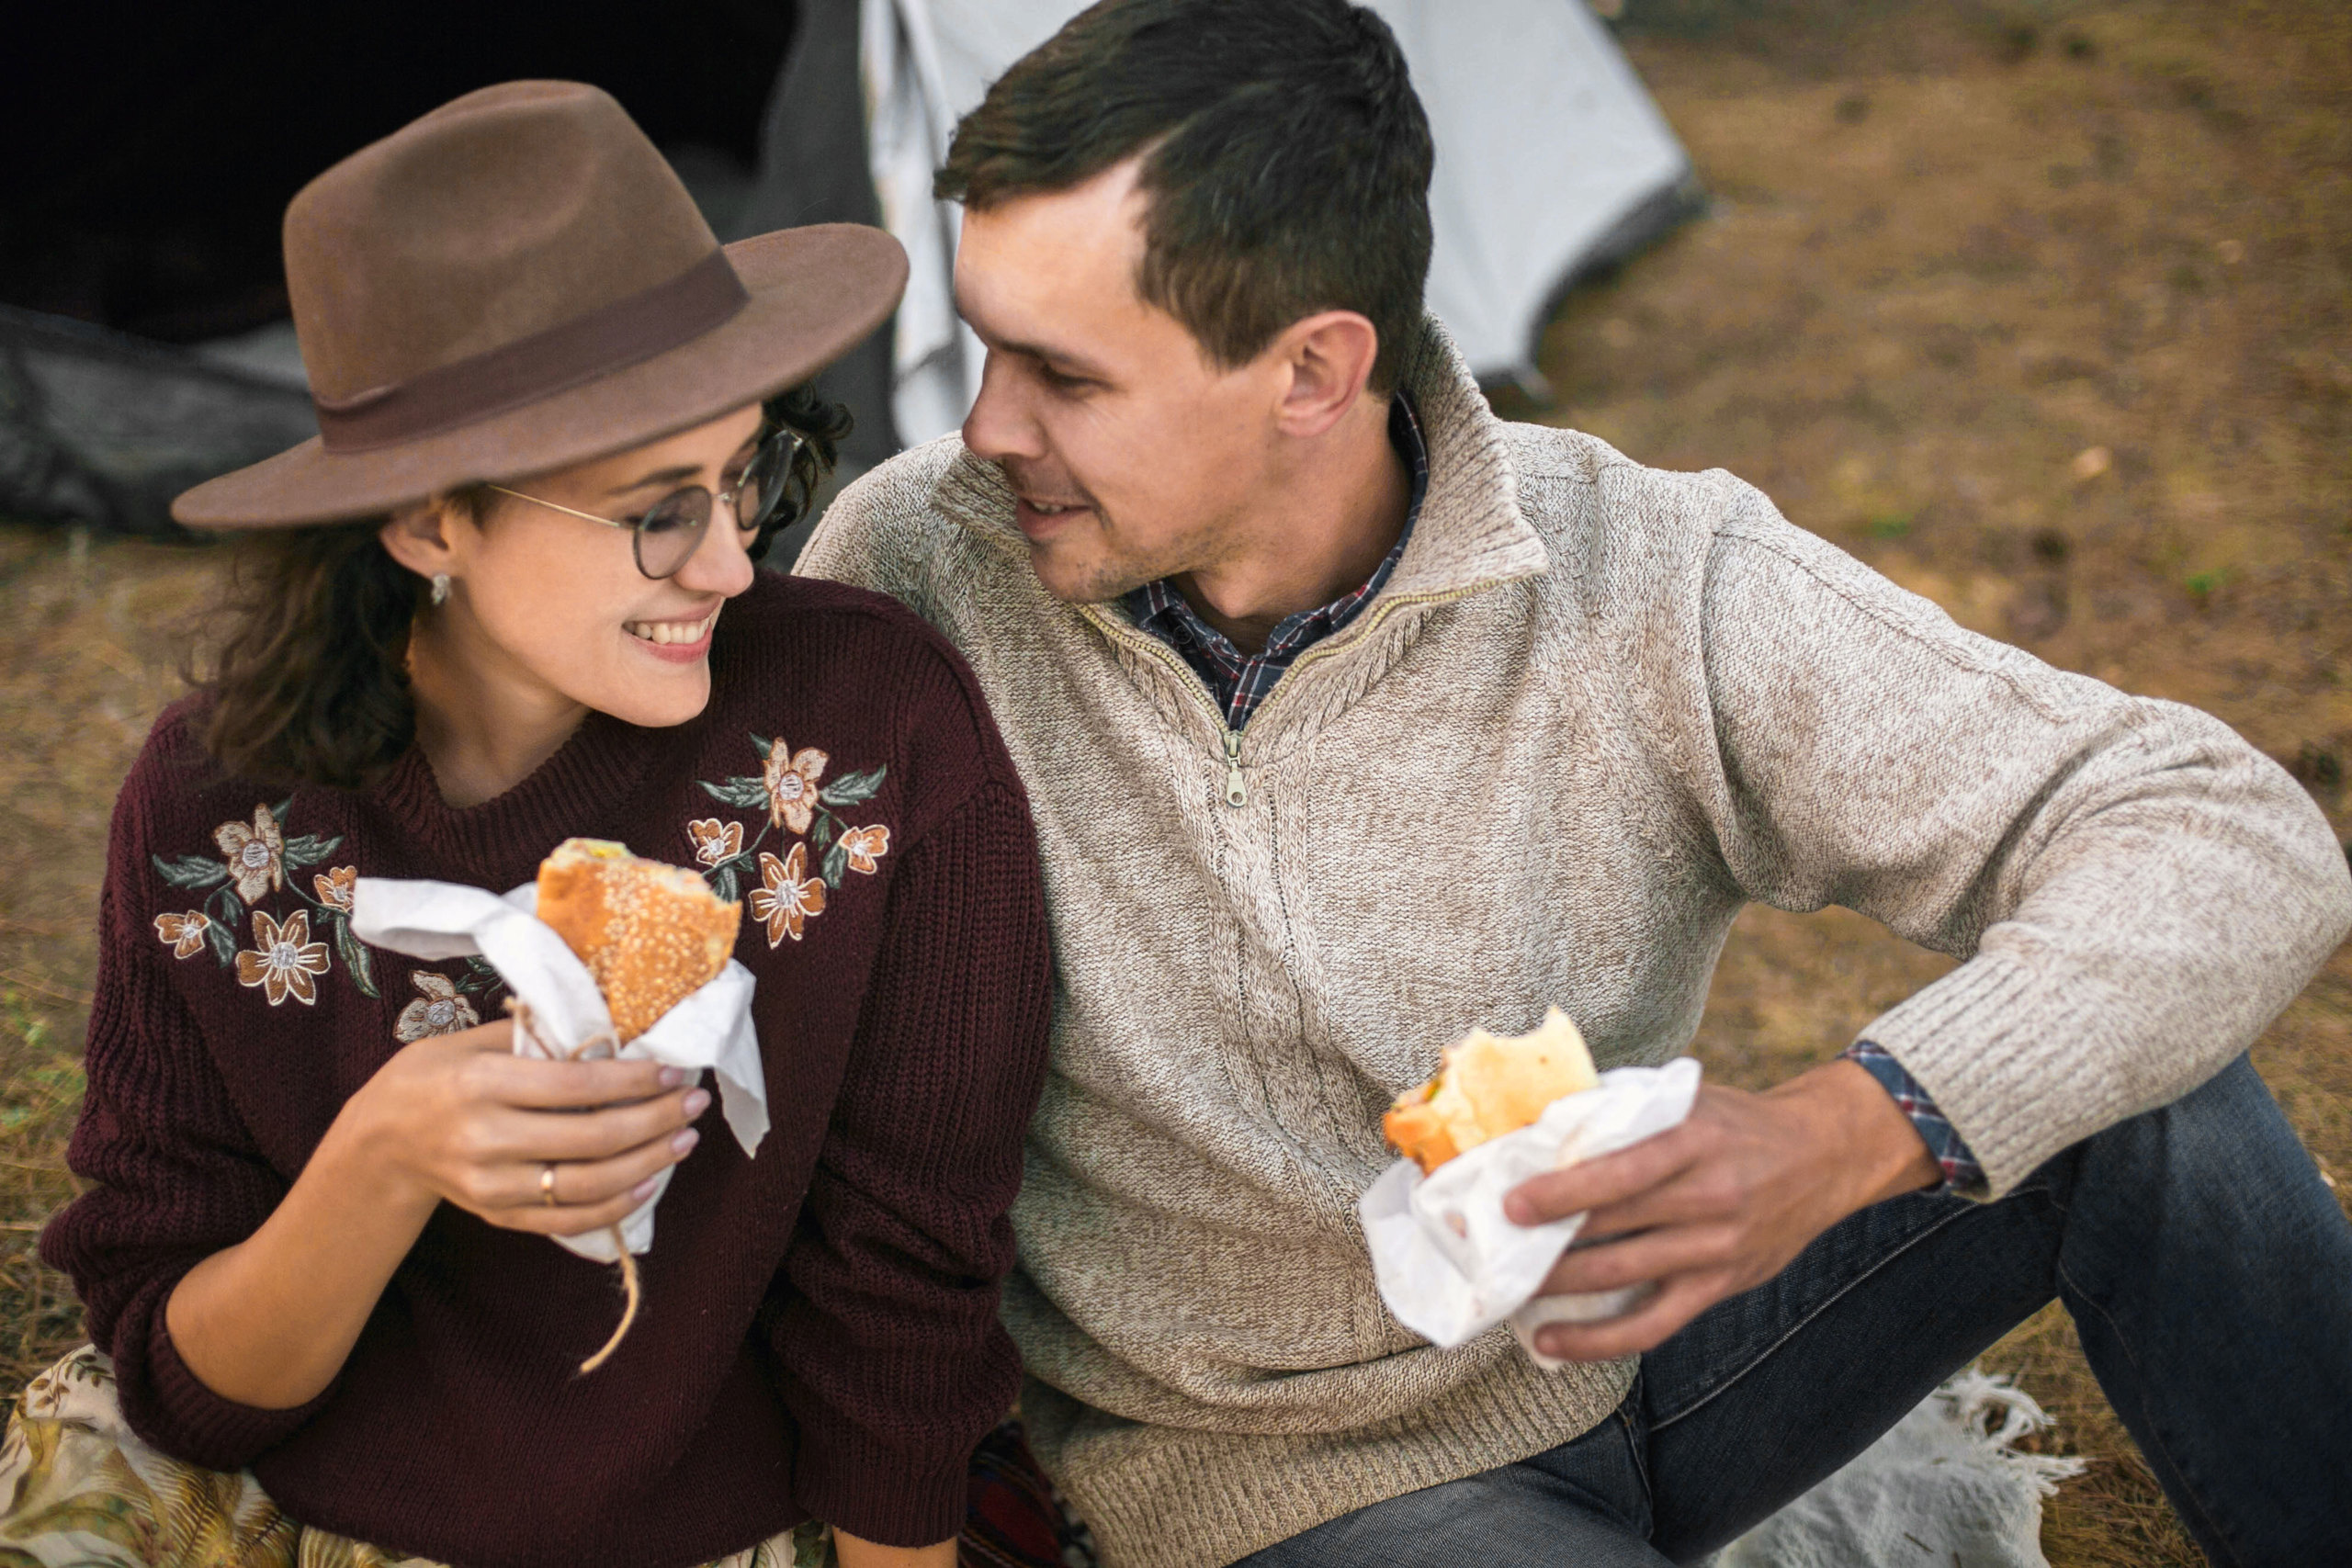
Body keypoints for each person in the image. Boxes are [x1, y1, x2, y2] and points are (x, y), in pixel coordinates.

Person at [792, 3, 2352, 1564]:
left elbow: (2224, 827)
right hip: (1297, 1484)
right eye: (985, 339)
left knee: (2152, 1101)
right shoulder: (916, 565)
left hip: (1660, 1333)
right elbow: (749, 967)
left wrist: (1851, 1129)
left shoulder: (1647, 574)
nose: (983, 425)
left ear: (1314, 372)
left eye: (1061, 374)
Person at [13, 83, 1070, 1568]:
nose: (729, 564)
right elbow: (187, 1388)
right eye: (656, 508)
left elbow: (906, 1287)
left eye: (744, 477)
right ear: (430, 523)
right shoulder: (217, 814)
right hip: (291, 1504)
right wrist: (386, 1155)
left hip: (721, 1526)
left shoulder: (863, 730)